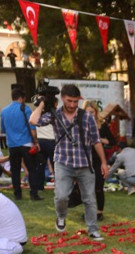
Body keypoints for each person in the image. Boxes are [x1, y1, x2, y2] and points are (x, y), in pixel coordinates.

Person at [29, 84, 108, 240]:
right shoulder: (54, 114)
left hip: (84, 163)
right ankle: (61, 216)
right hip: (63, 162)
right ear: (63, 98)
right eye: (69, 101)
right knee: (61, 196)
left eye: (75, 101)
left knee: (90, 199)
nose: (72, 105)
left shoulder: (87, 116)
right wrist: (43, 103)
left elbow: (96, 141)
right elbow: (34, 120)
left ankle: (93, 229)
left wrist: (104, 162)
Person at [0, 88, 41, 201]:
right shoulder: (26, 109)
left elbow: (3, 129)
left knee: (15, 170)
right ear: (21, 98)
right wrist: (36, 141)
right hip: (26, 143)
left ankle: (17, 194)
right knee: (31, 169)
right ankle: (34, 194)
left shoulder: (4, 111)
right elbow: (32, 128)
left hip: (12, 145)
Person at [82, 101, 107, 221]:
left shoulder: (102, 125)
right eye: (87, 112)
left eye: (92, 112)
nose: (89, 115)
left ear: (96, 112)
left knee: (98, 187)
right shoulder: (81, 126)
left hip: (98, 160)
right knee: (86, 188)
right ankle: (88, 211)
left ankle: (99, 212)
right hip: (84, 160)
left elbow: (111, 141)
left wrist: (98, 140)